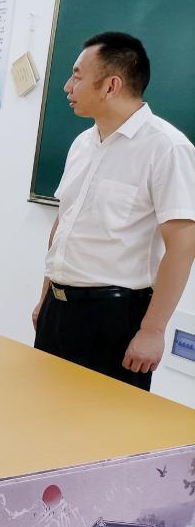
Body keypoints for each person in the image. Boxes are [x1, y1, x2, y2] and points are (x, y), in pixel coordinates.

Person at [32, 32, 195, 390]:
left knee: (103, 421)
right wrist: (46, 297)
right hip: (58, 308)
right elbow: (64, 224)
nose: (67, 86)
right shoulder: (82, 143)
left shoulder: (167, 147)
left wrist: (152, 331)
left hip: (114, 318)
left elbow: (183, 247)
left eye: (77, 76)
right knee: (44, 411)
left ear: (111, 85)